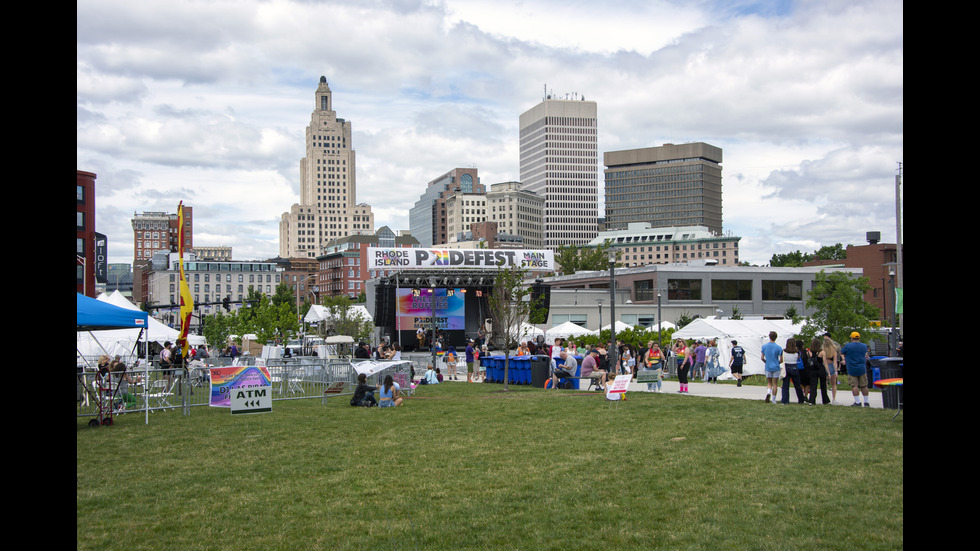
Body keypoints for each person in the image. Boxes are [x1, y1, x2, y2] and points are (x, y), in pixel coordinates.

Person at [841, 332, 871, 407]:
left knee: (854, 385)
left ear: (851, 338)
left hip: (852, 368)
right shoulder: (864, 346)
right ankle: (866, 402)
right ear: (859, 338)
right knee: (864, 385)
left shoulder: (848, 346)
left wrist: (844, 358)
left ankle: (857, 402)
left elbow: (841, 352)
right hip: (862, 368)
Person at [780, 338, 806, 404]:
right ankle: (801, 400)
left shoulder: (783, 351)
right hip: (794, 367)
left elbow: (781, 360)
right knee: (797, 385)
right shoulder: (797, 352)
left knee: (785, 385)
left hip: (786, 367)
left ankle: (785, 401)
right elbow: (798, 358)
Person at [761, 331, 783, 403]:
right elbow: (781, 359)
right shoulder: (779, 348)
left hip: (768, 366)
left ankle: (768, 393)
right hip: (776, 366)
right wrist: (778, 363)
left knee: (769, 382)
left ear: (769, 337)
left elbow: (762, 357)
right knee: (775, 383)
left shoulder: (764, 346)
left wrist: (765, 361)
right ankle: (773, 399)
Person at [808, 338, 831, 405]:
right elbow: (825, 363)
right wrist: (828, 372)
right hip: (821, 369)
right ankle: (825, 400)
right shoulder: (822, 352)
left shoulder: (809, 352)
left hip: (813, 370)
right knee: (823, 385)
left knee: (813, 385)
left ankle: (812, 401)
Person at [820, 335, 840, 403]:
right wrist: (836, 371)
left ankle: (825, 398)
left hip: (824, 366)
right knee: (834, 384)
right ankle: (834, 399)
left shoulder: (823, 351)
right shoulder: (834, 351)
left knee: (825, 383)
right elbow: (835, 362)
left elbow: (823, 361)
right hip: (831, 366)